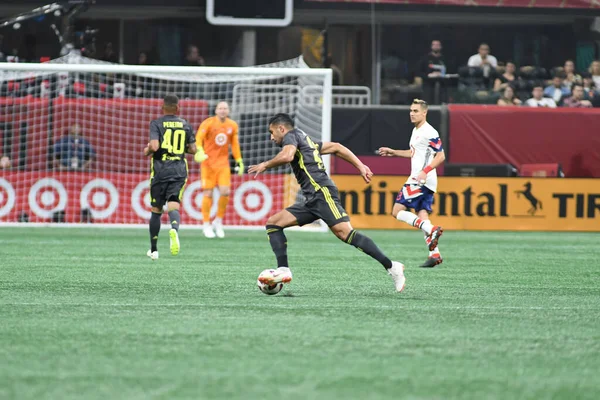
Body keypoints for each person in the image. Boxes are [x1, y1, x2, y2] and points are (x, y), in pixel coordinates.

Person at [248, 113, 406, 293]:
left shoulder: (291, 137)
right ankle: (283, 269)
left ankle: (392, 267)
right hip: (312, 198)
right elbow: (336, 147)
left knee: (345, 234)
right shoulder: (304, 139)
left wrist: (265, 165)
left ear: (281, 129)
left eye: (272, 132)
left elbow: (287, 156)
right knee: (274, 223)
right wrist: (360, 166)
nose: (271, 137)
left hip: (321, 192)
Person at [377, 99, 445, 268]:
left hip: (420, 179)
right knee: (422, 215)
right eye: (411, 110)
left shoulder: (429, 131)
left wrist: (425, 171)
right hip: (426, 180)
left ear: (424, 113)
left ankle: (431, 230)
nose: (412, 113)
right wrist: (394, 152)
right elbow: (413, 153)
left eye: (415, 111)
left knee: (396, 211)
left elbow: (441, 156)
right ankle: (434, 254)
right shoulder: (417, 130)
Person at [144, 94, 197, 260]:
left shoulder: (157, 123)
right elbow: (193, 149)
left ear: (162, 108)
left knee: (156, 210)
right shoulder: (185, 124)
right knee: (174, 205)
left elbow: (154, 146)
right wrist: (180, 150)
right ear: (177, 108)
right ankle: (174, 228)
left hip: (160, 171)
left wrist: (147, 151)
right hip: (179, 171)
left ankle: (153, 250)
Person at [194, 101, 244, 238]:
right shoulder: (208, 123)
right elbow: (198, 138)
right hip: (208, 164)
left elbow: (234, 144)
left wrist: (239, 160)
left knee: (225, 192)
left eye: (225, 108)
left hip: (223, 165)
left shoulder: (232, 125)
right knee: (208, 193)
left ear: (228, 110)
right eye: (220, 108)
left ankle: (218, 221)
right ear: (216, 110)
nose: (222, 110)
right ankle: (206, 224)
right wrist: (199, 150)